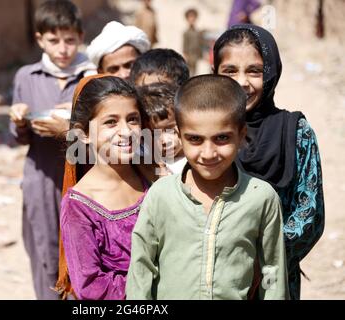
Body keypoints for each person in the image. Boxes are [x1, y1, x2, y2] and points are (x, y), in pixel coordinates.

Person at [126, 74, 289, 300]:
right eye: (195, 139)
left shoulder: (261, 198)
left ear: (242, 135)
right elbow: (141, 269)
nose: (209, 153)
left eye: (222, 138)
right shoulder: (160, 195)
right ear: (180, 137)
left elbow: (273, 270)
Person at [213, 24, 325, 300]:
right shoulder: (205, 132)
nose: (242, 82)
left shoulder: (295, 132)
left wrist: (260, 259)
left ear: (272, 72)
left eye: (254, 71)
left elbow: (310, 214)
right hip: (212, 276)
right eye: (230, 71)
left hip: (275, 279)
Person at [8, 0, 95, 300]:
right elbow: (20, 138)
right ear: (40, 39)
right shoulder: (27, 77)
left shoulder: (90, 78)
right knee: (44, 250)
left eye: (69, 40)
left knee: (81, 253)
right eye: (54, 40)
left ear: (80, 37)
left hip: (83, 178)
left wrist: (72, 127)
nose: (62, 49)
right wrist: (19, 119)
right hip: (41, 179)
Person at [57, 75, 150, 300]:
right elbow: (90, 286)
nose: (126, 131)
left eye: (133, 119)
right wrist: (156, 284)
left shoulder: (153, 179)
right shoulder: (80, 205)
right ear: (84, 134)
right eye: (111, 122)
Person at [136, 82, 186, 175]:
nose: (164, 141)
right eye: (154, 134)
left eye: (169, 129)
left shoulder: (197, 160)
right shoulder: (145, 165)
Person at [183, 8, 204, 76]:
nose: (192, 19)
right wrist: (185, 56)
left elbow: (201, 44)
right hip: (189, 56)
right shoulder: (186, 32)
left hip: (196, 56)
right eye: (190, 17)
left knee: (195, 74)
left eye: (193, 17)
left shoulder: (198, 32)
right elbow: (184, 46)